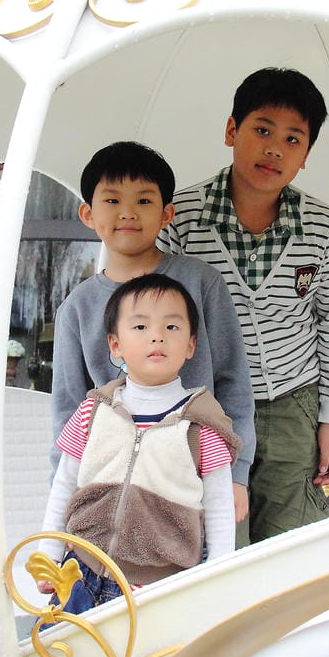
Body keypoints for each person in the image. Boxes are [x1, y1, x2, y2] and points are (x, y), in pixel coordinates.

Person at [159, 67, 329, 545]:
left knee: (290, 548)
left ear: (306, 155)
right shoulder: (180, 219)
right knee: (217, 538)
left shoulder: (324, 227)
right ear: (232, 130)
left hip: (295, 405)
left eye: (294, 139)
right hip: (209, 405)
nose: (275, 149)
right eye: (263, 129)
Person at [50, 141, 256, 524]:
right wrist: (60, 509)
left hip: (198, 481)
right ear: (88, 213)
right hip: (110, 490)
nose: (128, 212)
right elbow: (68, 411)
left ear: (166, 214)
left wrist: (237, 474)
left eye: (144, 201)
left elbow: (234, 384)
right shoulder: (77, 308)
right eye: (112, 201)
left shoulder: (201, 284)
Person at [37, 273, 241, 612]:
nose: (157, 337)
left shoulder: (203, 424)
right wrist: (49, 552)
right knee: (67, 656)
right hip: (81, 573)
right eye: (141, 327)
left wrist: (217, 575)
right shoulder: (93, 410)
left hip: (159, 588)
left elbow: (220, 508)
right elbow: (64, 484)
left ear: (191, 344)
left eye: (172, 328)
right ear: (115, 345)